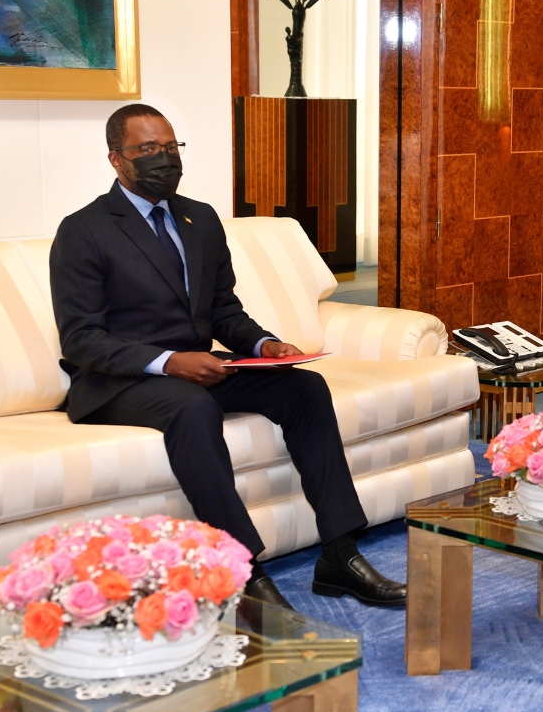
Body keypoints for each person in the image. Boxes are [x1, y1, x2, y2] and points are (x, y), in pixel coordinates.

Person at [49, 104, 406, 610]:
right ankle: (243, 572)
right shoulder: (84, 230)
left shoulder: (199, 218)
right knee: (192, 408)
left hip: (197, 366)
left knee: (304, 388)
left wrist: (264, 345)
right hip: (119, 380)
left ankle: (340, 554)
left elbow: (222, 310)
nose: (164, 159)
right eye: (147, 149)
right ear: (116, 159)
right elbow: (81, 338)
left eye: (170, 148)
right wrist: (169, 361)